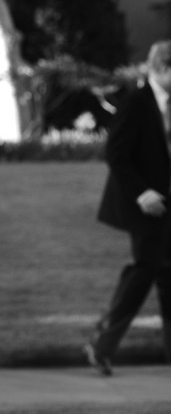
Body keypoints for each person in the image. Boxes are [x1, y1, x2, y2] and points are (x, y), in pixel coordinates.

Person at [85, 40, 171, 377]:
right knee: (144, 272)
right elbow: (116, 155)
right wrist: (143, 194)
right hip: (145, 206)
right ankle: (101, 345)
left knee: (166, 275)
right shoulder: (136, 103)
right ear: (162, 68)